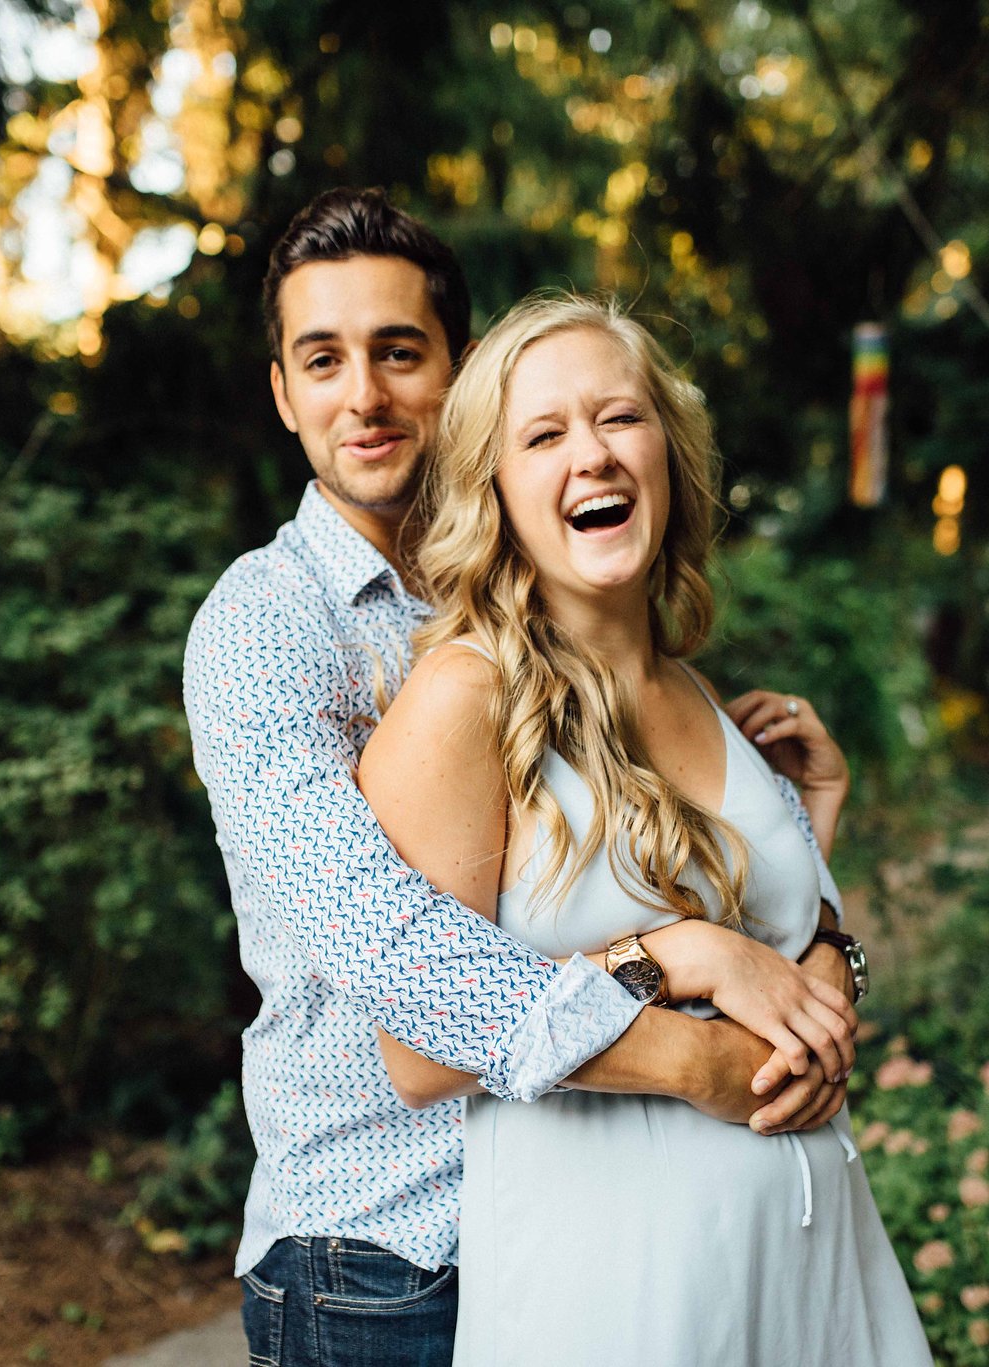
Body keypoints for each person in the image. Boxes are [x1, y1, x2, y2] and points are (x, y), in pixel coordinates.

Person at [183, 189, 871, 1367]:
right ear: (282, 391)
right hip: (387, 1253)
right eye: (323, 359)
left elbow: (652, 882)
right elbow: (394, 954)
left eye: (401, 353)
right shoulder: (266, 626)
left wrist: (800, 905)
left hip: (583, 1223)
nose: (365, 395)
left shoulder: (557, 607)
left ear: (459, 379)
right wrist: (697, 1017)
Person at [358, 293, 932, 1365]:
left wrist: (811, 833)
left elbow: (793, 957)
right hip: (611, 1287)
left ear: (668, 449)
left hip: (810, 1264)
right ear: (496, 489)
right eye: (543, 434)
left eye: (619, 418)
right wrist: (675, 951)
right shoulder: (460, 700)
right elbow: (419, 1047)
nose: (594, 456)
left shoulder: (695, 689)